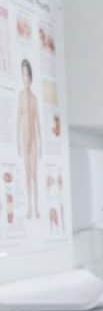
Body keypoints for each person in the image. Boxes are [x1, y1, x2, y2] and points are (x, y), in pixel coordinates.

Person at [16, 59, 41, 219]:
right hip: (24, 139)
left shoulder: (34, 99)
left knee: (34, 175)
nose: (25, 77)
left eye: (27, 74)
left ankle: (37, 208)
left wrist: (42, 145)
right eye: (23, 74)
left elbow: (37, 122)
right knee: (26, 175)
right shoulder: (20, 96)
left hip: (33, 141)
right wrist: (18, 142)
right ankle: (29, 208)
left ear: (31, 77)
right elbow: (18, 119)